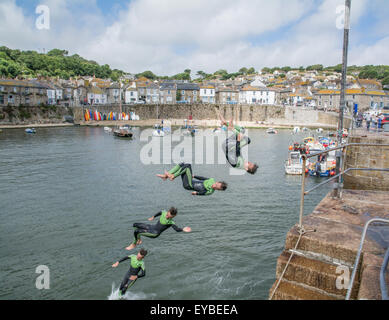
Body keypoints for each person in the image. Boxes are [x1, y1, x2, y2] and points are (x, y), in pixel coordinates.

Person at [125, 207, 191, 250]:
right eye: (167, 215)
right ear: (168, 212)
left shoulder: (171, 222)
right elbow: (160, 212)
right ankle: (139, 239)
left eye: (170, 217)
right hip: (152, 227)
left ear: (174, 216)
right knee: (135, 225)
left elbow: (176, 229)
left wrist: (183, 229)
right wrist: (153, 217)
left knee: (137, 231)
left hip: (154, 233)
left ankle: (133, 244)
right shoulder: (164, 212)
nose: (167, 217)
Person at [157, 163, 227, 196]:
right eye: (216, 184)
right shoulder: (211, 180)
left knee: (188, 166)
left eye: (216, 188)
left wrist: (196, 193)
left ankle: (172, 176)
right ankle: (166, 176)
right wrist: (194, 176)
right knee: (182, 165)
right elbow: (203, 178)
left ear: (218, 189)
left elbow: (202, 193)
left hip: (188, 185)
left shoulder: (210, 191)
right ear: (217, 182)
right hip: (190, 180)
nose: (214, 186)